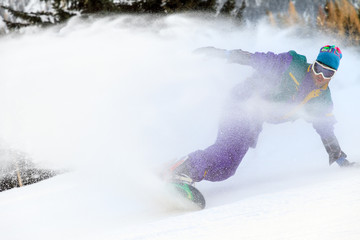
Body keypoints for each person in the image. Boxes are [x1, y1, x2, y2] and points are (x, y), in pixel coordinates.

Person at [165, 45, 356, 185]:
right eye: (318, 68)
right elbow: (259, 59)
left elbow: (324, 127)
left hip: (254, 118)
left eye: (327, 73)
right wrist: (225, 54)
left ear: (333, 75)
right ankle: (185, 172)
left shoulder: (321, 98)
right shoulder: (292, 65)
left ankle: (177, 167)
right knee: (225, 155)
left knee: (227, 169)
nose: (320, 76)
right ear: (313, 64)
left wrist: (338, 156)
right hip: (243, 103)